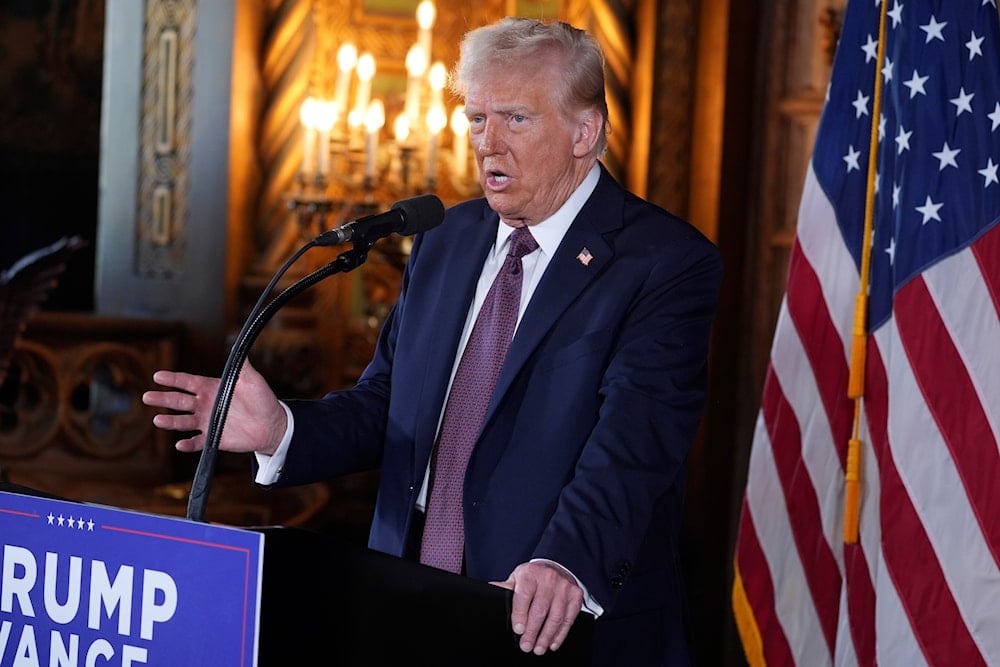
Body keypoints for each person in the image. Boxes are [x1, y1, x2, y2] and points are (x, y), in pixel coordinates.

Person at [143, 17, 722, 666]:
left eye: (516, 119)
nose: (487, 144)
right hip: (409, 604)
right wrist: (283, 429)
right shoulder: (447, 239)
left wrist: (567, 559)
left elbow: (633, 442)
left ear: (585, 131)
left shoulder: (663, 261)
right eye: (476, 119)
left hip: (555, 618)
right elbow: (389, 402)